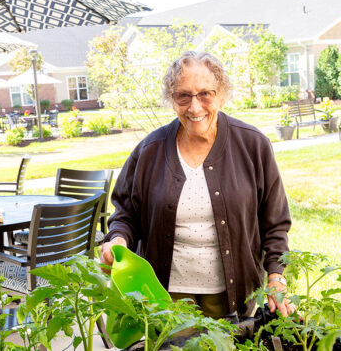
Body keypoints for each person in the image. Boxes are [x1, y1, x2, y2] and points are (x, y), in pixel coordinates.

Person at [100, 51, 293, 319]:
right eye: (184, 95)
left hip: (232, 294)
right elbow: (125, 213)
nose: (195, 107)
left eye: (205, 94)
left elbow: (275, 223)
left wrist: (276, 277)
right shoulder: (150, 150)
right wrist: (117, 239)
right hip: (165, 295)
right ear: (171, 98)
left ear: (221, 93)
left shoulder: (252, 145)